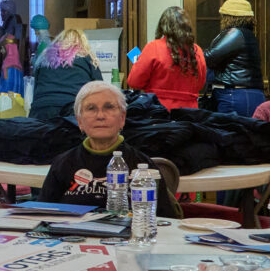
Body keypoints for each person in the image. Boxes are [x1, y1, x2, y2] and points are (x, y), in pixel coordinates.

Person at [41, 81, 178, 217]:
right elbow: (41, 215)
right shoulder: (62, 164)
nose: (100, 116)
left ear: (122, 118)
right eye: (91, 108)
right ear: (80, 121)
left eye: (109, 107)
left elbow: (165, 221)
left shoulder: (143, 165)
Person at [127, 6, 207, 110]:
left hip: (158, 110)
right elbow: (200, 84)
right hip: (190, 112)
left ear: (163, 26)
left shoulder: (153, 47)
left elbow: (134, 82)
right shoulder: (197, 50)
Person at [203, 0, 265, 117]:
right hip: (246, 94)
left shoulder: (236, 33)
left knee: (230, 133)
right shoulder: (247, 34)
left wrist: (193, 51)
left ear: (229, 17)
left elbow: (210, 57)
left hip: (234, 94)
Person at [29, 28, 103, 120]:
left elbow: (36, 88)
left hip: (41, 110)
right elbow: (100, 89)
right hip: (72, 110)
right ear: (82, 42)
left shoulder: (44, 58)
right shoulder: (88, 58)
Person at [0, 0, 25, 95]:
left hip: (9, 53)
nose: (2, 14)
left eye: (4, 11)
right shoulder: (5, 23)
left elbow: (14, 39)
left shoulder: (15, 20)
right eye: (1, 11)